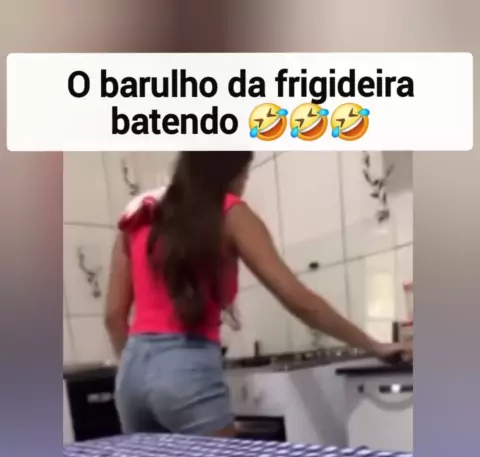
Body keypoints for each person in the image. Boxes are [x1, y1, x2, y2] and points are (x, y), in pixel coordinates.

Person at [105, 151, 411, 439]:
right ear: (231, 173)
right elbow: (299, 301)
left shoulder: (137, 219)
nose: (244, 185)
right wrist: (374, 345)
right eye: (245, 175)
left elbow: (114, 317)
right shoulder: (229, 213)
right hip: (185, 369)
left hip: (131, 377)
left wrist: (139, 368)